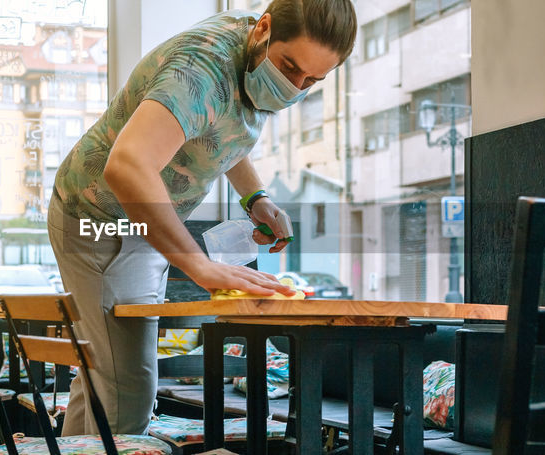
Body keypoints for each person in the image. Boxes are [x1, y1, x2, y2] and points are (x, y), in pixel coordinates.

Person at [47, 0, 357, 436]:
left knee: (107, 374)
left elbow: (219, 127)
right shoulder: (201, 69)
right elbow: (127, 166)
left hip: (135, 225)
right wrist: (199, 265)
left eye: (313, 80)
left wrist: (254, 196)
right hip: (101, 217)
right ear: (263, 29)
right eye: (290, 69)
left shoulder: (249, 55)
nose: (296, 87)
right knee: (129, 386)